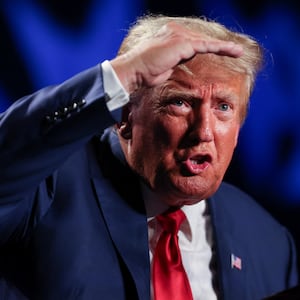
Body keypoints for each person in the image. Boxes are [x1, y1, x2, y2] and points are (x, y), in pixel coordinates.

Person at [0, 14, 298, 300]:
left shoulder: (269, 242)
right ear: (125, 116)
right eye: (179, 102)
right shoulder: (46, 189)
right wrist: (121, 75)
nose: (204, 131)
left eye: (223, 107)